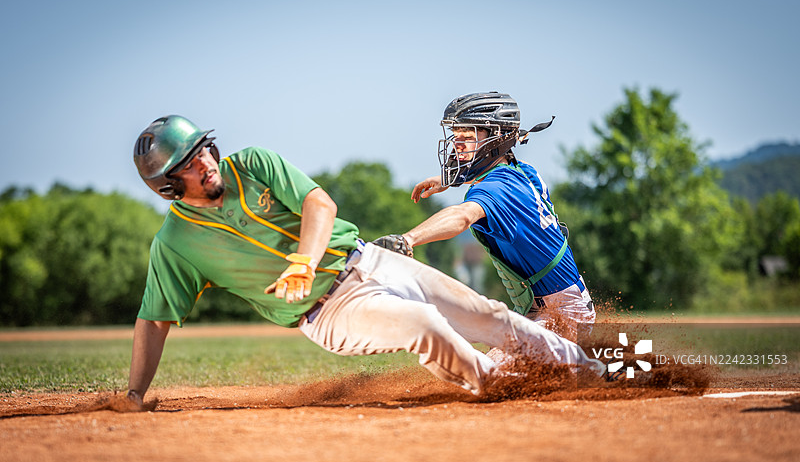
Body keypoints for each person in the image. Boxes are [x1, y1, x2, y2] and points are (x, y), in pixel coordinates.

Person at [125, 114, 602, 409]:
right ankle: (502, 386)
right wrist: (133, 395)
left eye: (203, 149)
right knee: (424, 325)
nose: (205, 161)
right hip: (328, 310)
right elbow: (154, 319)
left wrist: (303, 261)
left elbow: (319, 204)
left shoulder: (251, 164)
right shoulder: (176, 242)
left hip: (369, 259)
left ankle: (593, 373)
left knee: (489, 315)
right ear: (168, 185)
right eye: (188, 162)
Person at [378, 92, 595, 344]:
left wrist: (408, 239)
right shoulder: (520, 171)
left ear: (496, 139)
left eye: (468, 137)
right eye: (456, 136)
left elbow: (461, 216)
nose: (457, 144)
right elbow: (493, 179)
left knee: (487, 369)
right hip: (554, 307)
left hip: (563, 316)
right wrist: (452, 180)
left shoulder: (496, 188)